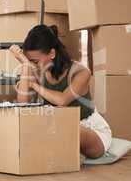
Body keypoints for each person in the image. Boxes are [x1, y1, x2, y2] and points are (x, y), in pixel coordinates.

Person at [10, 25, 112, 159]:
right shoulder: (37, 69)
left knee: (70, 129)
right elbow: (22, 104)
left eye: (35, 61)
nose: (33, 64)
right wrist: (25, 65)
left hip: (88, 130)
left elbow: (62, 101)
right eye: (30, 61)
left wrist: (34, 85)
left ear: (52, 53)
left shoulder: (81, 72)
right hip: (57, 128)